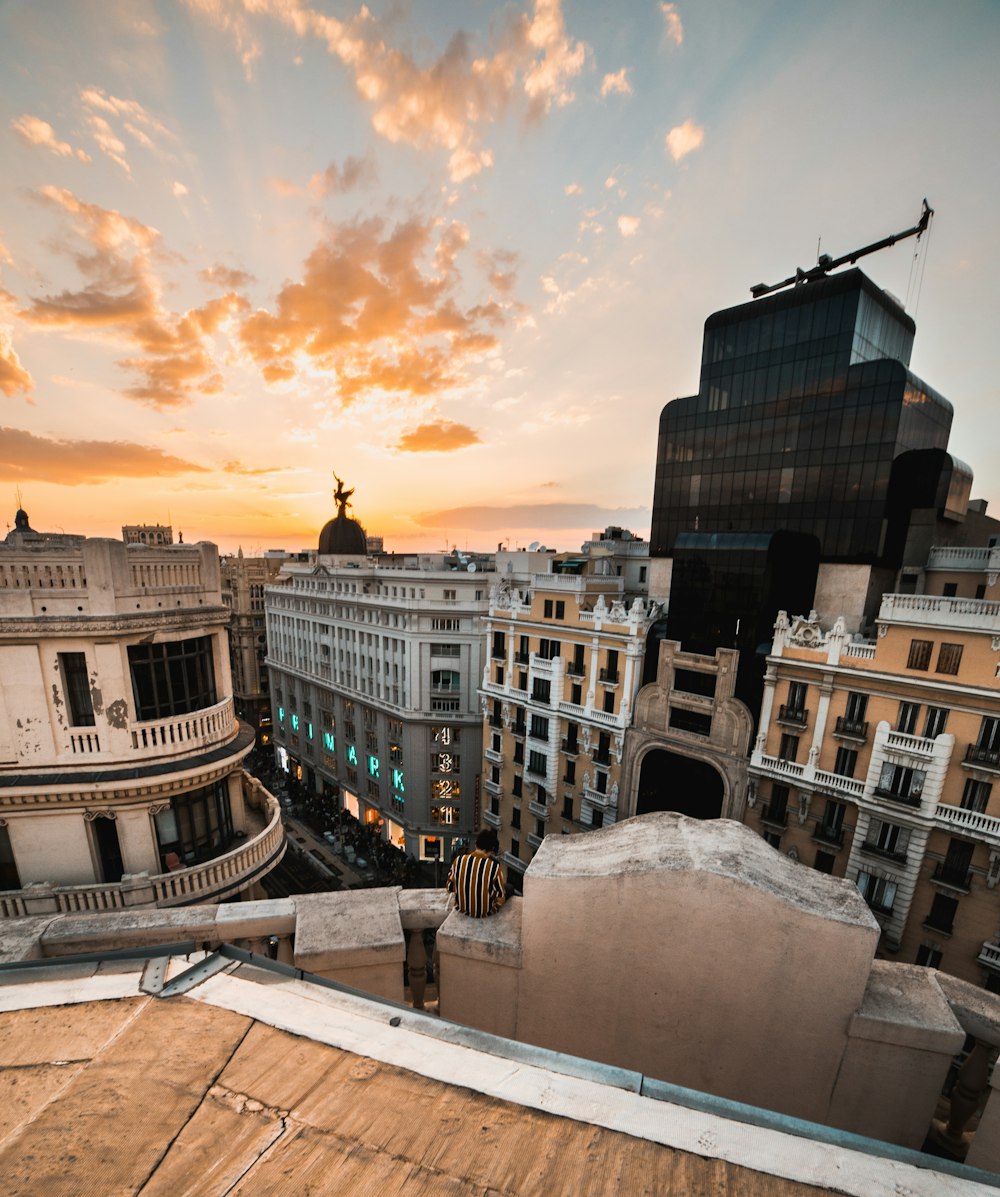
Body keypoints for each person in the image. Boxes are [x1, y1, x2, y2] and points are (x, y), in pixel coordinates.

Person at [447, 828, 506, 917]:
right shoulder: (494, 867)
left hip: (461, 909)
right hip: (485, 913)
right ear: (491, 849)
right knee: (508, 888)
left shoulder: (459, 860)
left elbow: (449, 887)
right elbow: (500, 898)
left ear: (476, 844)